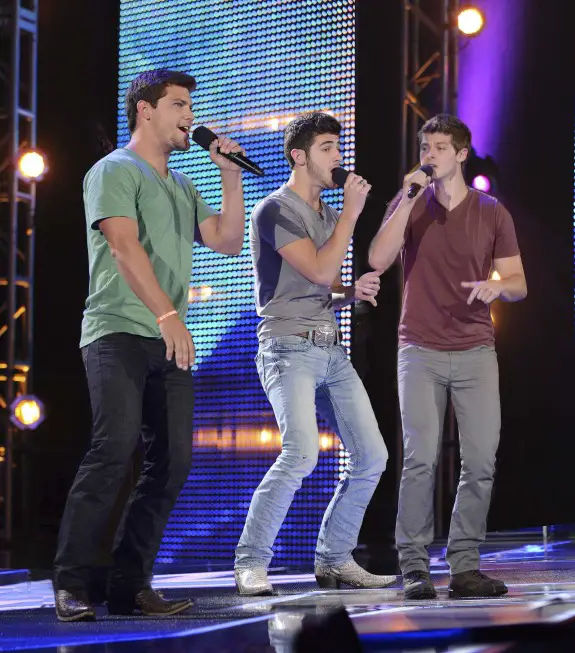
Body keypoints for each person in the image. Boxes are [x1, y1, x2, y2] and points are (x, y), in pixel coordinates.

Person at [53, 69, 247, 621]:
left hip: (167, 339)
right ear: (145, 110)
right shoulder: (114, 169)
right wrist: (167, 314)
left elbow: (227, 241)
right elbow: (123, 246)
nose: (191, 117)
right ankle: (71, 583)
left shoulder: (181, 185)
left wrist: (230, 177)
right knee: (113, 449)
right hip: (117, 330)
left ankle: (129, 585)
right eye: (180, 105)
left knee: (173, 462)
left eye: (191, 106)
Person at [234, 111, 395, 595]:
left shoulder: (326, 214)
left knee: (372, 455)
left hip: (330, 349)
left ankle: (334, 559)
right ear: (298, 156)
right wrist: (351, 215)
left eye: (337, 148)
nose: (338, 158)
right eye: (327, 148)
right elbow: (320, 272)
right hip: (287, 348)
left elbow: (323, 284)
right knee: (301, 452)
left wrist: (351, 291)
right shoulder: (274, 210)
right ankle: (250, 562)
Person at [369, 114, 527, 599]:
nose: (430, 155)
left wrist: (497, 287)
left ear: (461, 154)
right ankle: (414, 567)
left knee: (480, 460)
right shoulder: (410, 203)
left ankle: (464, 566)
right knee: (420, 459)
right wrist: (406, 198)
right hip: (419, 349)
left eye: (440, 147)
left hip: (476, 350)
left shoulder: (492, 212)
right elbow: (377, 259)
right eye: (425, 147)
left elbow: (519, 284)